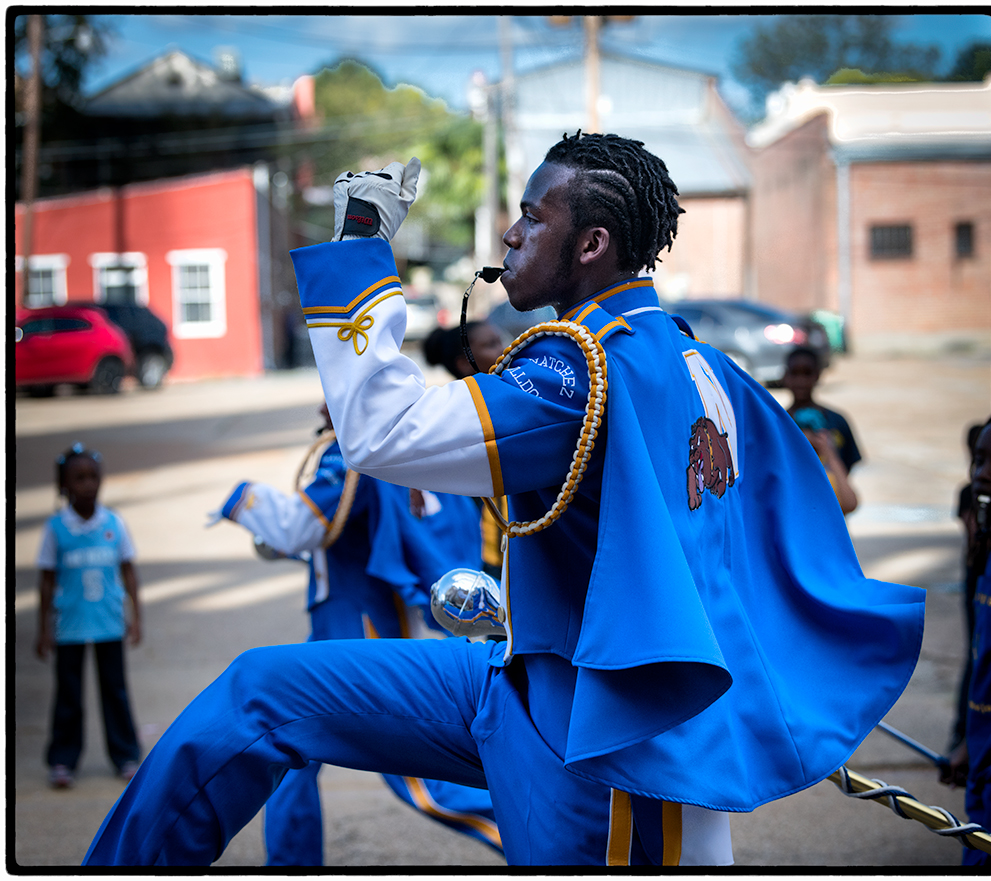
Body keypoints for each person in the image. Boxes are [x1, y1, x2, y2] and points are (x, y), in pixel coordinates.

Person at [85, 133, 925, 867]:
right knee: (261, 690)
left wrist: (362, 242)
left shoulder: (580, 368)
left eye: (533, 217)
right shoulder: (702, 363)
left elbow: (384, 433)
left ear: (592, 243)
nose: (510, 235)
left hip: (608, 742)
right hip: (523, 676)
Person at [210, 401, 501, 864]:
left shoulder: (348, 459)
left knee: (412, 774)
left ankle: (544, 840)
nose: (321, 403)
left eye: (333, 390)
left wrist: (239, 498)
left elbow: (295, 528)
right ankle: (291, 866)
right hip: (335, 625)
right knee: (285, 750)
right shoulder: (381, 455)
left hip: (357, 627)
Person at [35, 442, 142, 789]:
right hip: (70, 626)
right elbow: (47, 581)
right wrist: (43, 630)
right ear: (63, 486)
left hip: (109, 623)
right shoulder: (55, 529)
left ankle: (125, 754)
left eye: (93, 477)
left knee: (115, 690)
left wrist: (135, 617)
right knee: (69, 695)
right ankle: (63, 760)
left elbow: (128, 571)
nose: (88, 485)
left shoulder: (114, 523)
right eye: (78, 478)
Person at [939, 418, 991, 866]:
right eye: (979, 459)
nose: (984, 473)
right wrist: (969, 742)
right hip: (984, 748)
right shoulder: (990, 554)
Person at [422, 322, 508, 579]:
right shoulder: (453, 413)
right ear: (463, 363)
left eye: (499, 340)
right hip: (485, 554)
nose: (503, 349)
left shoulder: (506, 395)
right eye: (490, 345)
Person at [946, 421, 986, 756]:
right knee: (975, 658)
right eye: (978, 460)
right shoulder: (968, 494)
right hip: (976, 589)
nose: (982, 473)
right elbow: (974, 538)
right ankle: (962, 734)